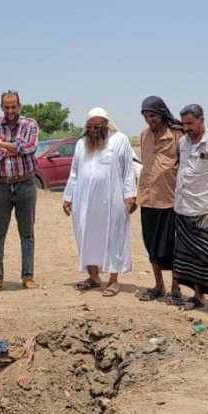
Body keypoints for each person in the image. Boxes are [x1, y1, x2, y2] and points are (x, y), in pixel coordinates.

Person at [62, 108, 137, 297]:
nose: (93, 130)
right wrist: (68, 196)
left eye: (97, 126)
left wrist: (131, 195)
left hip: (112, 200)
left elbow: (128, 170)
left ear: (106, 124)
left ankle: (113, 281)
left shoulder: (120, 139)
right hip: (84, 200)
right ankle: (94, 277)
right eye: (90, 126)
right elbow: (74, 172)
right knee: (86, 235)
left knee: (113, 237)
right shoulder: (81, 144)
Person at [173, 104, 208, 316]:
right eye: (184, 124)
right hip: (183, 207)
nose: (186, 128)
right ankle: (197, 296)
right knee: (189, 256)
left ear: (201, 119)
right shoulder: (182, 142)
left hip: (206, 208)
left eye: (190, 123)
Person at [0, 91, 39, 294]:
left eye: (13, 106)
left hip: (26, 185)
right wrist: (13, 148)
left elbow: (30, 148)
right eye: (6, 107)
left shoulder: (30, 124)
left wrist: (3, 144)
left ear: (19, 106)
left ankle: (28, 277)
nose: (10, 111)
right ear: (1, 107)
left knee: (27, 234)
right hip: (0, 186)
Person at [136, 95, 183, 303]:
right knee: (151, 245)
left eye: (153, 115)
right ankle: (158, 285)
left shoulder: (177, 136)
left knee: (171, 247)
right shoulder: (144, 136)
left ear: (162, 114)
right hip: (147, 199)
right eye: (146, 115)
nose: (149, 119)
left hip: (170, 199)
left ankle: (175, 288)